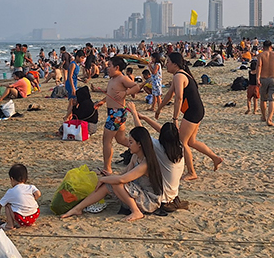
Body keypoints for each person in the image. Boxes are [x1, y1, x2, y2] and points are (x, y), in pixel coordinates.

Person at [61, 126, 165, 222]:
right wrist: (108, 176)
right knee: (108, 184)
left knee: (116, 183)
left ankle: (136, 212)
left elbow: (122, 180)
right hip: (138, 194)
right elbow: (123, 174)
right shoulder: (135, 157)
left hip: (149, 201)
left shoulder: (145, 164)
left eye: (131, 142)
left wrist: (103, 179)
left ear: (140, 144)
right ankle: (78, 208)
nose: (128, 145)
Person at [156, 52, 222, 181]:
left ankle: (192, 172)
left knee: (182, 142)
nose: (166, 65)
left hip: (193, 111)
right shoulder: (179, 75)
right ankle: (215, 158)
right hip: (197, 110)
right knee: (191, 141)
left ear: (175, 64)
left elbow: (179, 97)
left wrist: (175, 119)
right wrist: (159, 108)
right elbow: (169, 95)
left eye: (168, 62)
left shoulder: (179, 76)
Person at [127, 101, 186, 211]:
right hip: (173, 195)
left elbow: (141, 134)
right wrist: (144, 117)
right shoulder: (180, 149)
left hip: (161, 197)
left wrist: (134, 113)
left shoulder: (160, 148)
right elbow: (165, 132)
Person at [94, 57, 142, 172]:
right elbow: (112, 94)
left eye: (109, 66)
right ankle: (143, 152)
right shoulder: (112, 79)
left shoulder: (122, 78)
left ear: (117, 67)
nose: (107, 68)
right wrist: (102, 101)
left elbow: (136, 86)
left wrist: (126, 92)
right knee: (120, 139)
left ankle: (107, 168)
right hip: (113, 112)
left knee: (106, 140)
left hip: (117, 113)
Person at [0, 163, 41, 230]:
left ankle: (10, 225)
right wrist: (32, 199)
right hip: (34, 215)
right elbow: (38, 194)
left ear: (12, 179)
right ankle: (31, 223)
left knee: (7, 204)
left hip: (21, 218)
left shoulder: (11, 191)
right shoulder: (31, 187)